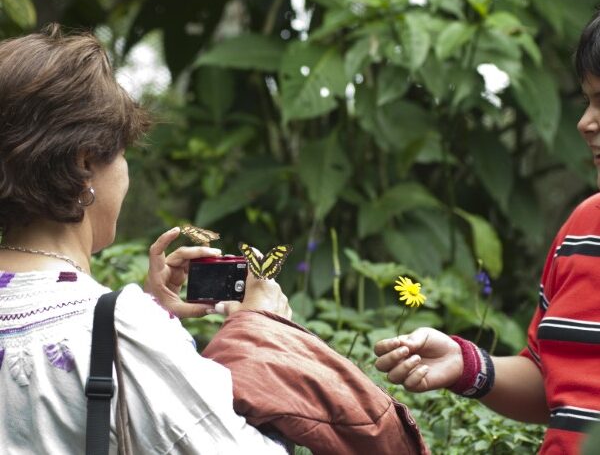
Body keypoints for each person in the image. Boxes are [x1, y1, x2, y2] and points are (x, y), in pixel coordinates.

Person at [0, 25, 425, 454]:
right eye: (124, 152)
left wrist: (147, 319)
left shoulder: (118, 327)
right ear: (86, 163)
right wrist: (262, 335)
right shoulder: (120, 330)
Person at [373, 9, 600, 454]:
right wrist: (468, 366)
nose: (586, 122)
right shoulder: (582, 228)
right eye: (589, 101)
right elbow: (550, 380)